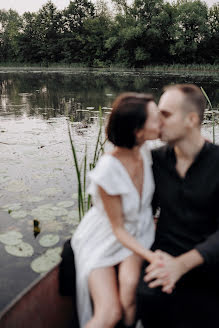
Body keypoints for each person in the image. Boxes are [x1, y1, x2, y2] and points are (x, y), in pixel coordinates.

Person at [71, 92, 162, 328]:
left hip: (139, 230)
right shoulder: (106, 172)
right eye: (155, 117)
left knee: (129, 293)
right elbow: (118, 229)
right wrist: (151, 256)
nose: (162, 120)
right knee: (109, 313)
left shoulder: (142, 150)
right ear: (137, 130)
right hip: (106, 237)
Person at [136, 84, 219, 328]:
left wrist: (180, 266)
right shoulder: (154, 161)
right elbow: (141, 215)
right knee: (146, 297)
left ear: (191, 120)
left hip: (209, 260)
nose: (157, 121)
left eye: (166, 114)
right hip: (163, 255)